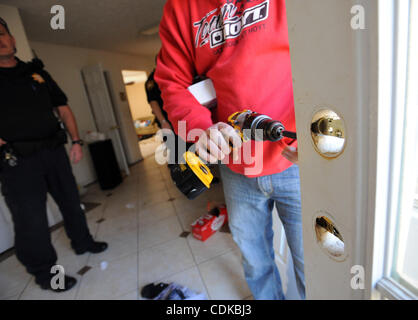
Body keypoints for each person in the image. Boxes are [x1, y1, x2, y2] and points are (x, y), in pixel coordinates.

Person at [155, 0, 305, 299]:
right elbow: (172, 81)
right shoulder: (181, 7)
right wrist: (200, 131)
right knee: (255, 261)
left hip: (297, 160)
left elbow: (326, 52)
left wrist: (317, 132)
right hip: (236, 166)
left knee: (313, 264)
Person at [0, 17, 107, 292]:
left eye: (2, 34)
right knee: (31, 219)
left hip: (53, 150)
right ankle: (46, 273)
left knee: (71, 201)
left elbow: (63, 108)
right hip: (17, 160)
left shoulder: (37, 73)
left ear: (11, 38)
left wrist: (76, 141)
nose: (0, 41)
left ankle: (83, 241)